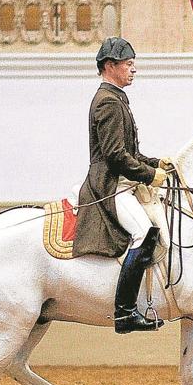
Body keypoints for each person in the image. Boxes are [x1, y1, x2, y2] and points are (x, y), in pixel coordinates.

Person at [75, 36, 174, 333]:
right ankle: (125, 312)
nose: (134, 70)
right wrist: (148, 175)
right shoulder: (107, 101)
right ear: (110, 66)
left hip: (122, 181)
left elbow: (131, 153)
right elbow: (116, 157)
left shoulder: (117, 98)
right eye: (129, 64)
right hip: (109, 185)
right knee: (144, 233)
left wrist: (156, 163)